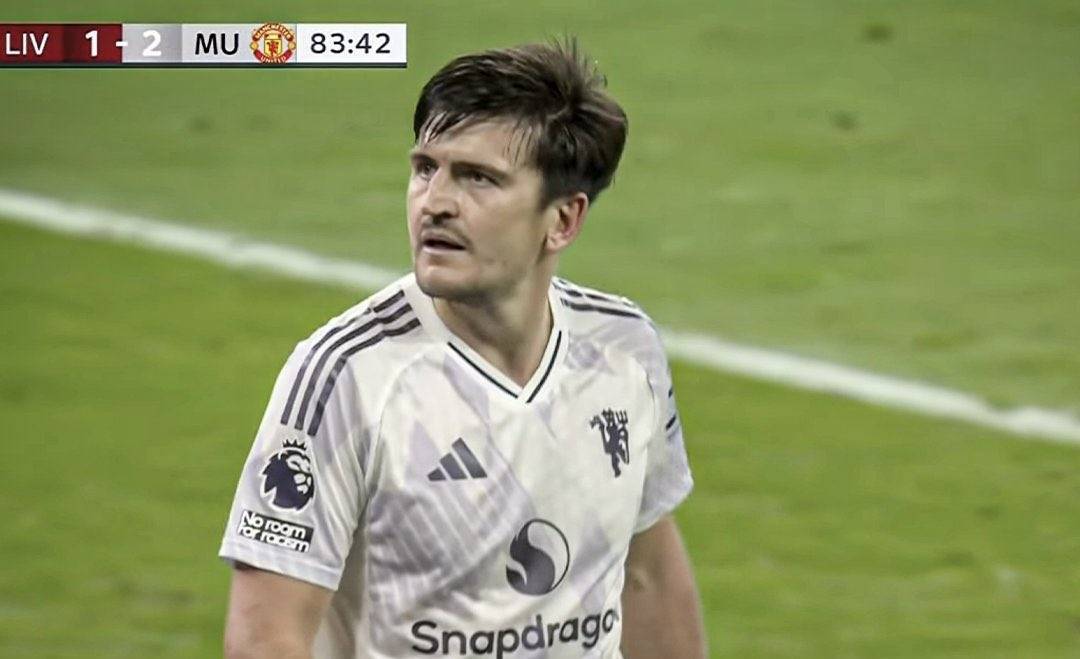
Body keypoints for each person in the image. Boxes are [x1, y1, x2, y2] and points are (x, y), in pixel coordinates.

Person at [220, 39, 706, 659]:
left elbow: (648, 572)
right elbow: (265, 639)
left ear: (562, 220)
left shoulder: (624, 349)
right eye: (426, 168)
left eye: (478, 178)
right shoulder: (348, 376)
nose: (435, 203)